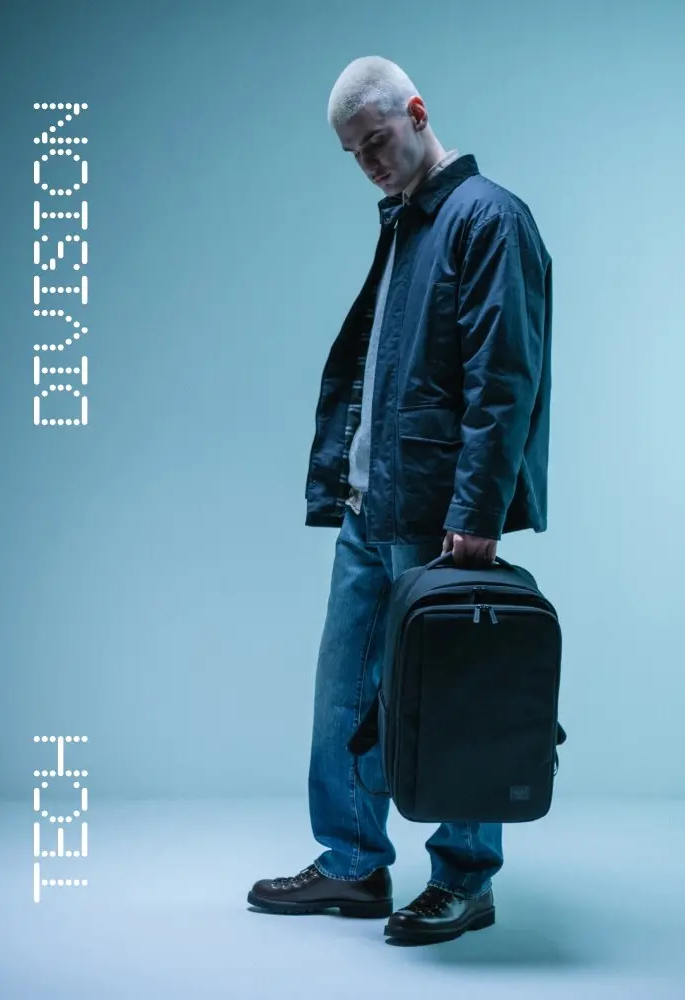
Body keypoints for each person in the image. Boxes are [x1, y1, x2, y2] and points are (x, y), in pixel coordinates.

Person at [247, 55, 553, 945]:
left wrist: (477, 513)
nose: (369, 163)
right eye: (354, 154)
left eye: (376, 141)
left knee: (454, 696)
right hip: (370, 507)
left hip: (442, 519)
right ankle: (351, 865)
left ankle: (464, 878)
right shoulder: (406, 225)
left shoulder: (488, 218)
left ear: (417, 113)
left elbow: (506, 381)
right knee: (345, 696)